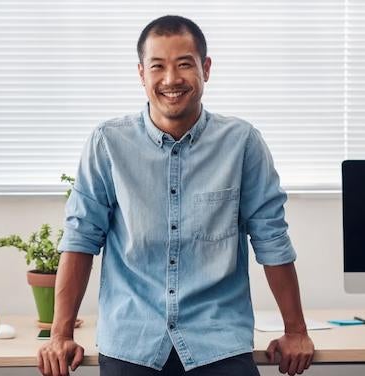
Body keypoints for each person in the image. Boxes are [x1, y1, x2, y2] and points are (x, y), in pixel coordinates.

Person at [37, 15, 315, 376]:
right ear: (141, 73)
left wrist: (296, 331)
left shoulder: (242, 143)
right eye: (158, 66)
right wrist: (59, 334)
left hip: (218, 343)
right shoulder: (108, 143)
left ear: (206, 69)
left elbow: (271, 238)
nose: (171, 80)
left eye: (185, 64)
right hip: (132, 343)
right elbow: (81, 238)